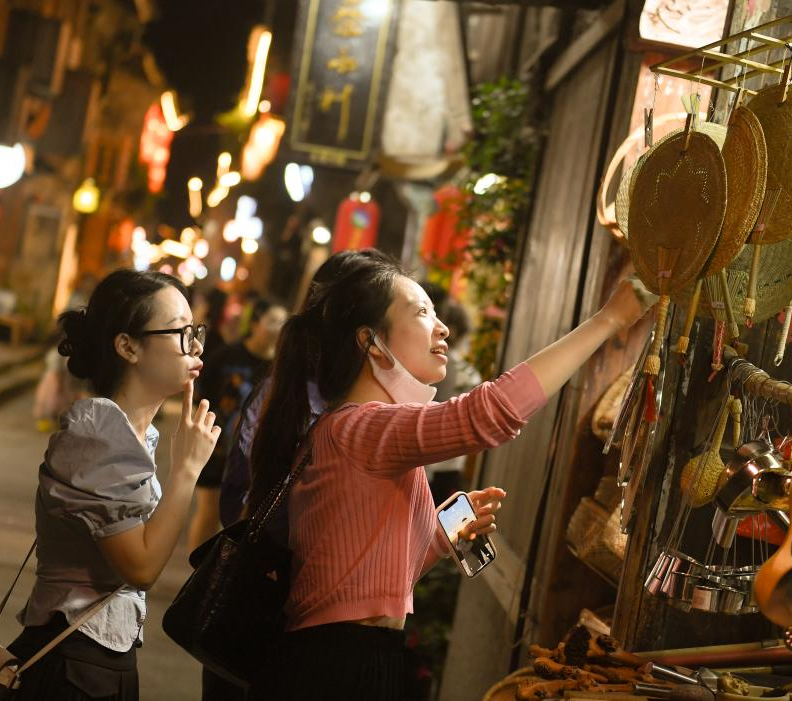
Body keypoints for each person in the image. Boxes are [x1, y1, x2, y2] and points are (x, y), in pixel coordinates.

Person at [245, 249, 652, 700]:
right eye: (421, 312)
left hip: (354, 655)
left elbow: (367, 582)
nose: (442, 328)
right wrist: (609, 320)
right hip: (334, 664)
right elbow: (489, 414)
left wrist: (441, 537)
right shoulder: (359, 427)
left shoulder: (352, 429)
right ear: (370, 341)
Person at [8, 269, 220, 700]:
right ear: (128, 346)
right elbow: (140, 568)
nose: (196, 346)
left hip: (100, 658)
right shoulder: (98, 434)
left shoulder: (133, 436)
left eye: (196, 331)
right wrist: (186, 470)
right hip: (73, 663)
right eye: (180, 332)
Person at [187, 297, 288, 553]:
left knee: (239, 518)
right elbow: (200, 392)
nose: (278, 328)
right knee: (209, 510)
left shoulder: (282, 368)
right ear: (254, 323)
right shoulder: (226, 356)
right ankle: (198, 569)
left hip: (253, 454)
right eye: (273, 321)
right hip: (218, 447)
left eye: (283, 322)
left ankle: (222, 569)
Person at [428, 299, 482, 502]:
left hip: (422, 461)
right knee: (452, 518)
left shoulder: (426, 363)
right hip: (451, 462)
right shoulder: (469, 373)